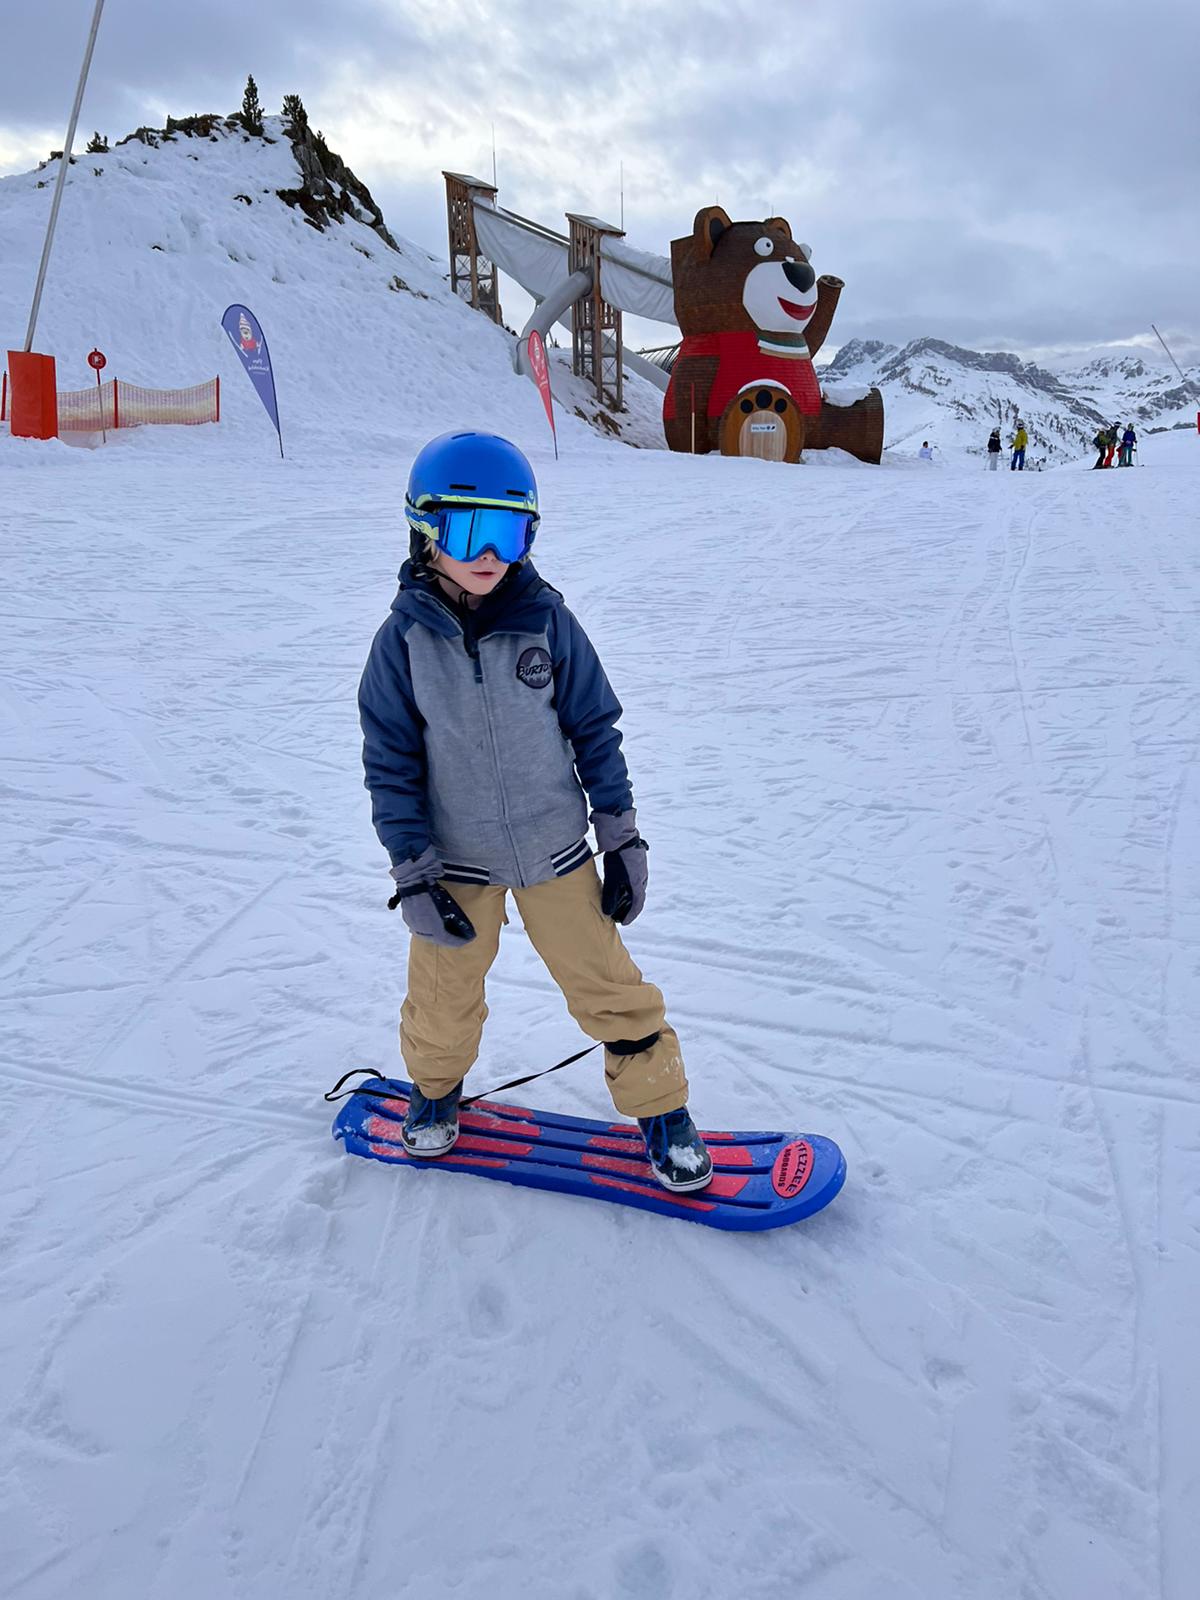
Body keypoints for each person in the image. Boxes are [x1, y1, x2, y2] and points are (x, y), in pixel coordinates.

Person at [357, 431, 714, 1193]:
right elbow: (391, 768)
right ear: (425, 532)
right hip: (455, 866)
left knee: (610, 987)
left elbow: (595, 728)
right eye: (467, 531)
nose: (490, 554)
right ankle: (435, 1092)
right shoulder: (402, 646)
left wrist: (621, 839)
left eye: (510, 531)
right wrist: (415, 876)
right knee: (442, 996)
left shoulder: (548, 624)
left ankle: (661, 1109)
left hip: (557, 853)